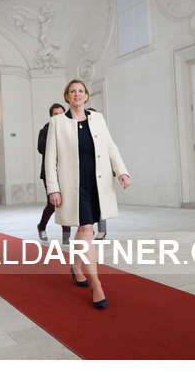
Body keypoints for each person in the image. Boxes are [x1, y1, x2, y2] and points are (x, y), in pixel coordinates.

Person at [45, 79, 130, 309]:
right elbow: (50, 159)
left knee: (84, 230)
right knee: (87, 229)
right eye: (72, 91)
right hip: (73, 185)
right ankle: (97, 284)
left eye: (81, 91)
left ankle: (76, 267)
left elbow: (111, 147)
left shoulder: (98, 118)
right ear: (67, 96)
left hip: (96, 183)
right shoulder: (57, 122)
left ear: (86, 96)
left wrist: (122, 172)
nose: (77, 94)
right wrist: (53, 188)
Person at [37, 103, 71, 246]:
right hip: (49, 173)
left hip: (66, 171)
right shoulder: (45, 130)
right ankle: (41, 227)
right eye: (56, 114)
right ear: (51, 116)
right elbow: (41, 148)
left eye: (61, 114)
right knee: (52, 204)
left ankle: (66, 235)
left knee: (65, 203)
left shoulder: (69, 128)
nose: (59, 116)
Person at [87, 107, 107, 240]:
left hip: (100, 172)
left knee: (101, 203)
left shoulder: (101, 132)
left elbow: (108, 150)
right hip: (85, 173)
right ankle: (88, 228)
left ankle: (102, 230)